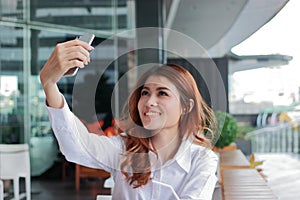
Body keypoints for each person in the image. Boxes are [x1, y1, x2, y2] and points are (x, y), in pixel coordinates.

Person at [40, 39, 218, 200]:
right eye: (145, 93)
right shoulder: (124, 149)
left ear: (186, 106)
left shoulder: (202, 159)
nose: (149, 102)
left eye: (162, 93)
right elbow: (77, 146)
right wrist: (49, 85)